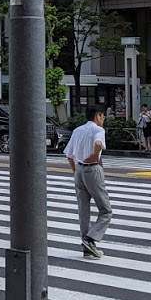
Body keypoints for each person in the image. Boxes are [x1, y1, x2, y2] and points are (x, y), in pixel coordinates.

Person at [67, 106, 112, 259]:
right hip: (93, 170)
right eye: (103, 116)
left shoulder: (78, 130)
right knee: (105, 210)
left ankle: (87, 248)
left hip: (79, 170)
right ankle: (90, 239)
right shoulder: (98, 130)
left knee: (83, 211)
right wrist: (94, 156)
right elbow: (98, 144)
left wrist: (76, 172)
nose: (103, 119)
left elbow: (68, 154)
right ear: (97, 116)